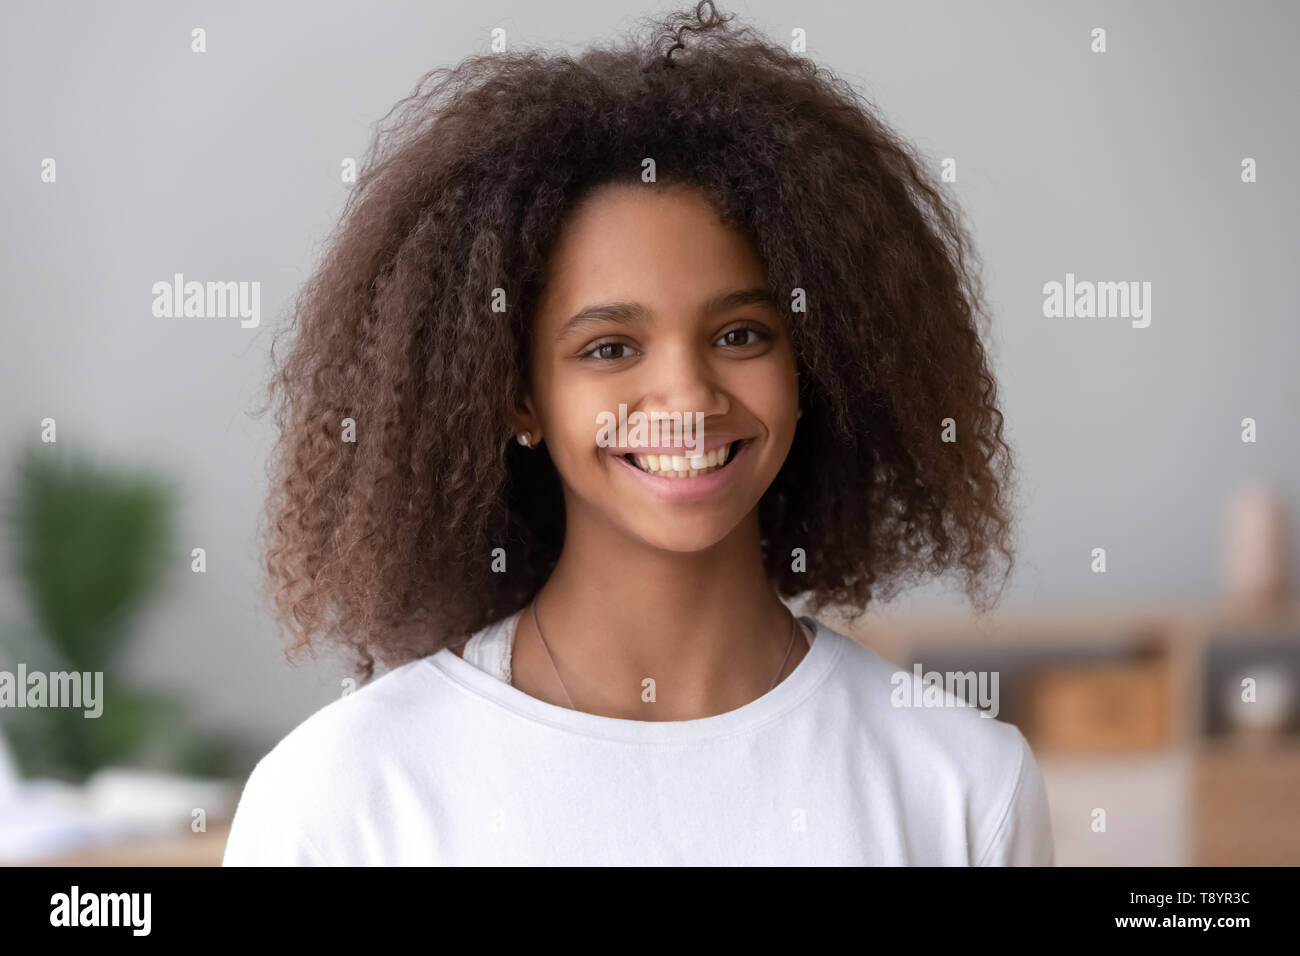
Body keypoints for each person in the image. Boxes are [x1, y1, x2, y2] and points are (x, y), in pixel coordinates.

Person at [223, 1, 1053, 866]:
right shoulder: (340, 800)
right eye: (609, 347)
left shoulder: (963, 788)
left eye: (740, 335)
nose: (686, 395)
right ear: (517, 399)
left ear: (817, 362)